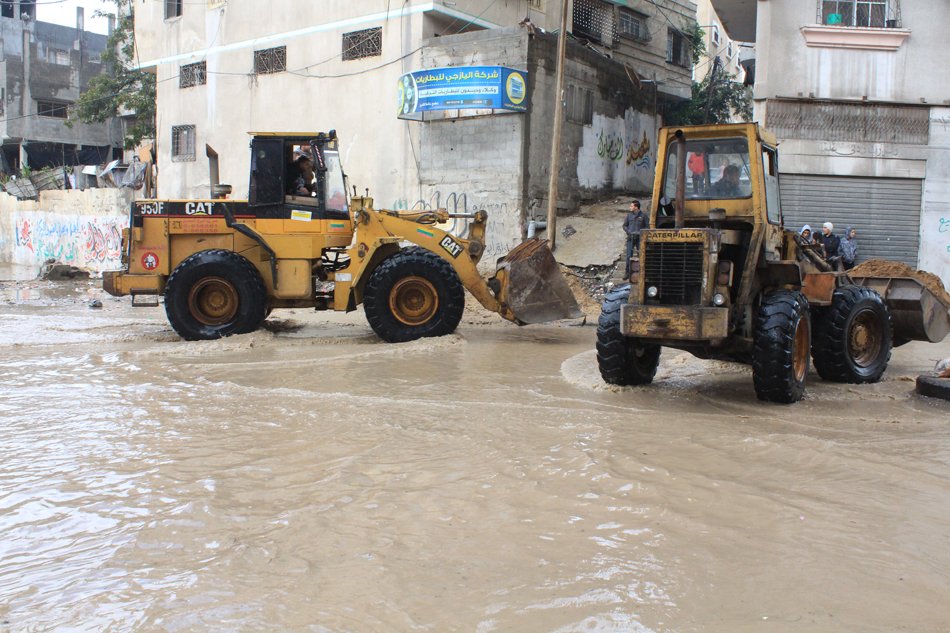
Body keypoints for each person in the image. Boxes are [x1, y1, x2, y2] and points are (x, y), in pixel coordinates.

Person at [623, 200, 649, 278]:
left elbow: (647, 227)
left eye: (631, 206)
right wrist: (628, 232)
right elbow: (624, 225)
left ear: (636, 207)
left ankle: (642, 273)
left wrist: (641, 233)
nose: (630, 207)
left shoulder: (644, 216)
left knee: (641, 255)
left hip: (639, 239)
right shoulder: (629, 216)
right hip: (630, 238)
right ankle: (627, 272)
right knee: (628, 256)